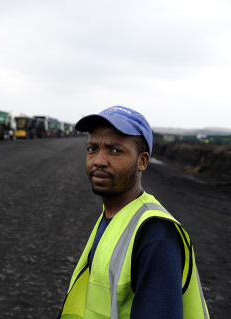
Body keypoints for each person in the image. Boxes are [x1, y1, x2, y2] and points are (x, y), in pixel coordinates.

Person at [59, 106, 209, 319]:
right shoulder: (114, 215)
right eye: (92, 148)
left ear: (142, 161)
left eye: (115, 150)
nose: (98, 160)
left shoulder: (156, 235)